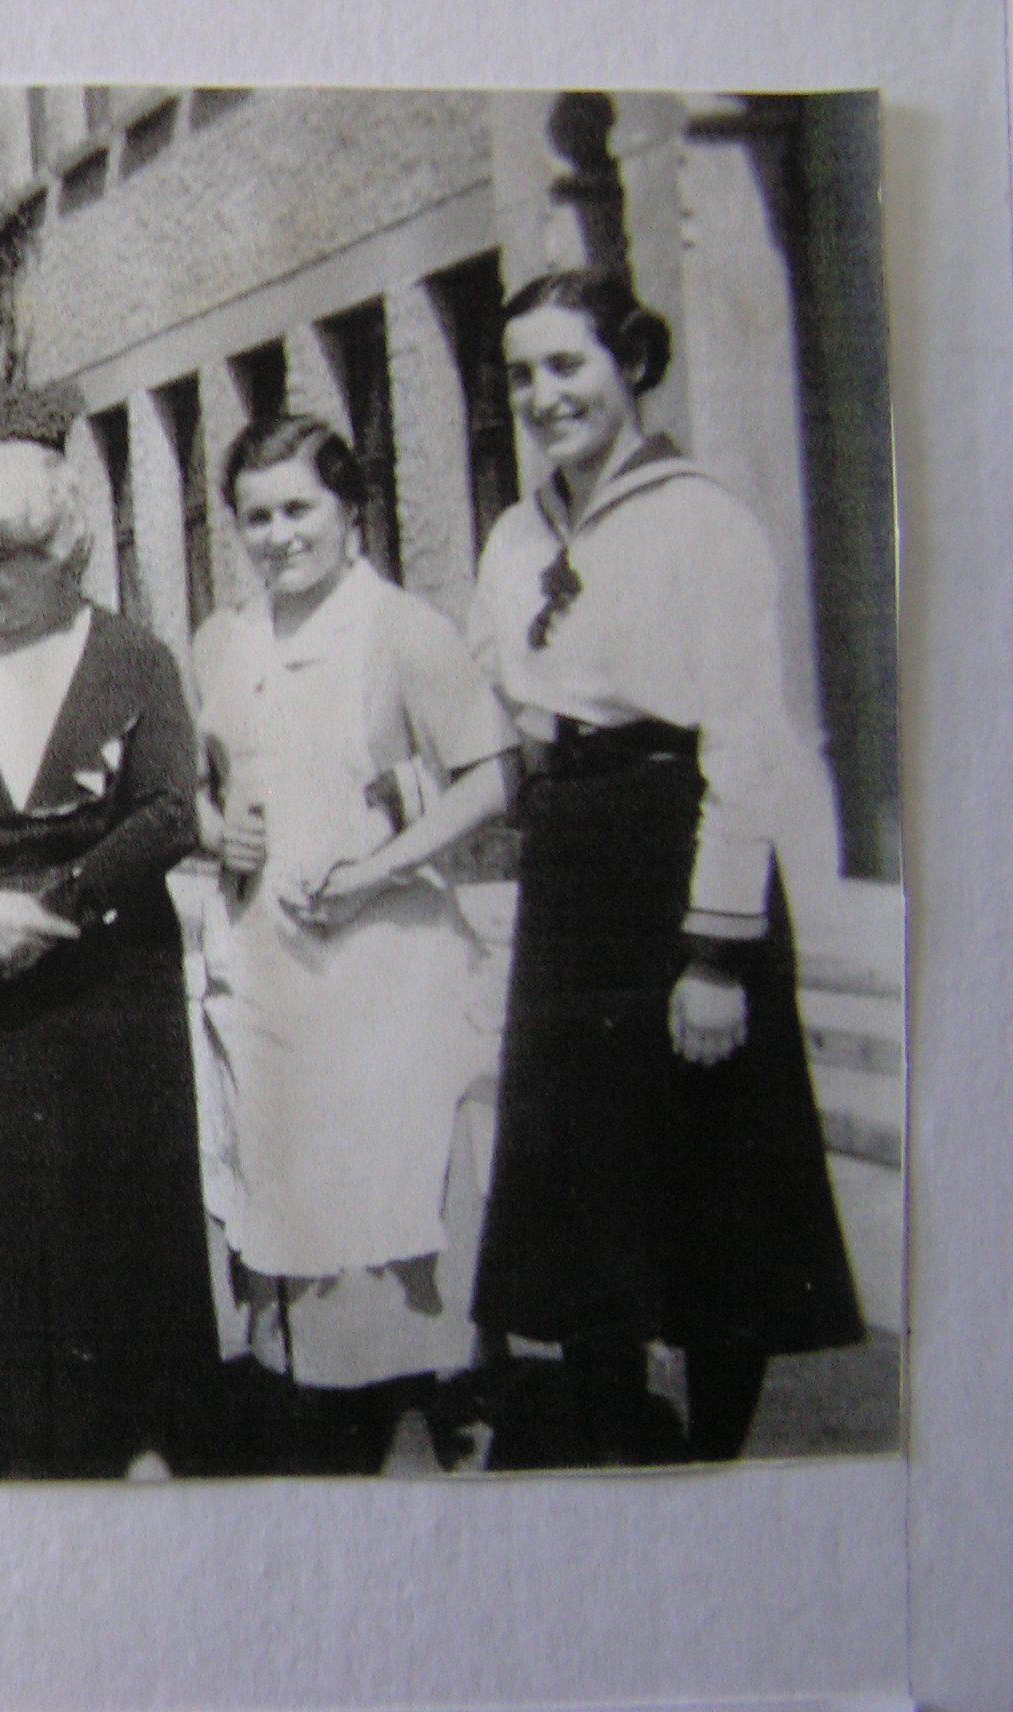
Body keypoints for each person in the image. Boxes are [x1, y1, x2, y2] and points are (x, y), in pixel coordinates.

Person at [465, 270, 864, 1466]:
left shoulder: (702, 520)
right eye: (522, 374)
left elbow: (744, 741)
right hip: (571, 865)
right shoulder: (515, 532)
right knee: (582, 1177)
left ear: (630, 363)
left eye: (568, 364)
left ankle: (711, 1462)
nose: (544, 395)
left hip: (675, 845)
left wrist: (715, 953)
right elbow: (511, 704)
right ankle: (612, 1445)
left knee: (711, 1183)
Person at [0, 439, 220, 1480]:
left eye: (2, 557)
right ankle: (32, 1451)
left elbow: (165, 811)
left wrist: (53, 907)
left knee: (124, 1210)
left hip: (110, 980)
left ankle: (148, 1443)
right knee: (11, 1217)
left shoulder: (134, 659)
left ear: (61, 550)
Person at [193, 416, 518, 1474]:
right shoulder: (223, 640)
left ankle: (409, 1418)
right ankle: (319, 1414)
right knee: (286, 1179)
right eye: (257, 516)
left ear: (348, 510)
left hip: (377, 958)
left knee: (382, 1186)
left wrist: (379, 868)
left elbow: (492, 774)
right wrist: (216, 830)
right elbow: (200, 787)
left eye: (299, 508)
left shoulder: (401, 629)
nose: (278, 534)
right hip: (264, 951)